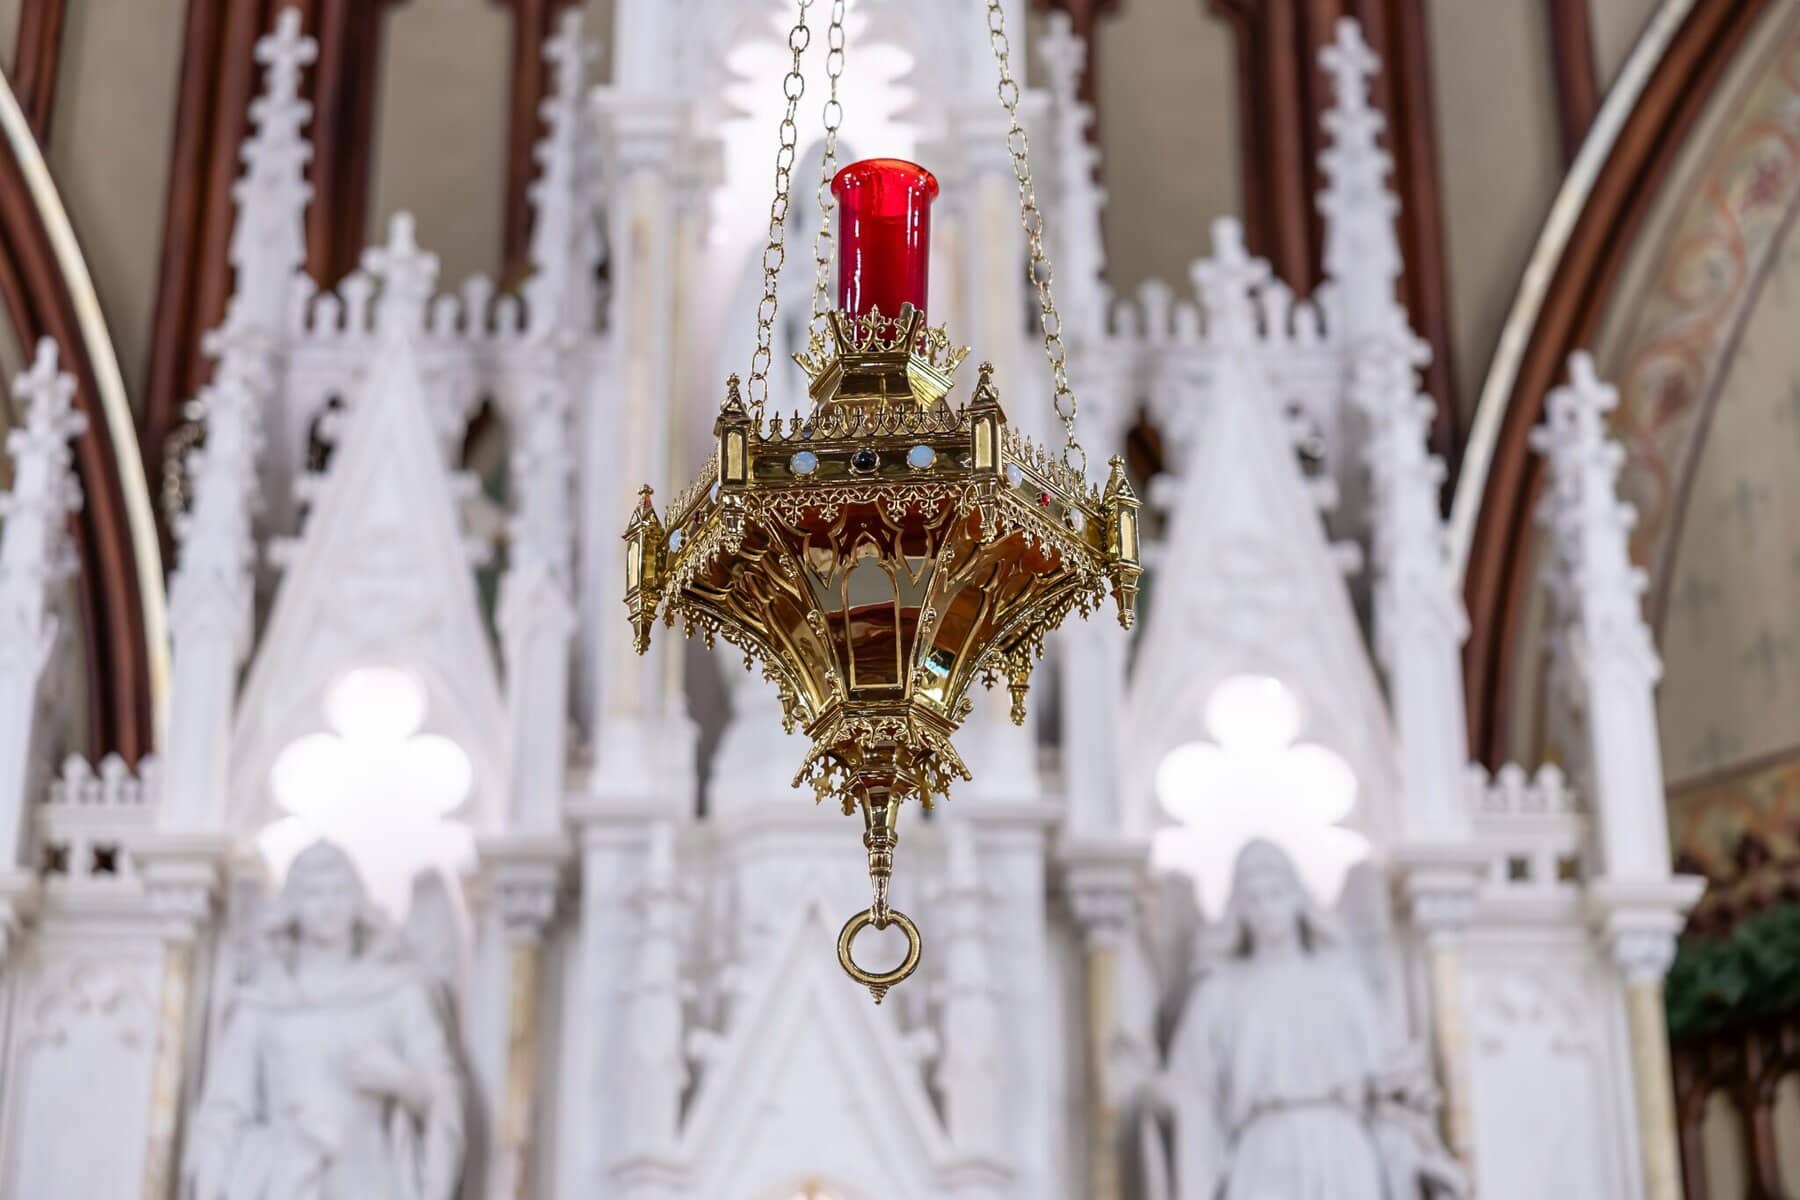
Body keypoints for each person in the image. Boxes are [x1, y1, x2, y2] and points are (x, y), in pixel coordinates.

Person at [184, 840, 465, 1199]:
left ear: (357, 900)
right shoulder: (263, 1001)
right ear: (293, 905)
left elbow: (442, 1095)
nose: (328, 906)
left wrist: (402, 1081)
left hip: (369, 1179)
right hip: (284, 1180)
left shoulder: (398, 994)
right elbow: (224, 1113)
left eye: (338, 891)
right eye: (314, 893)